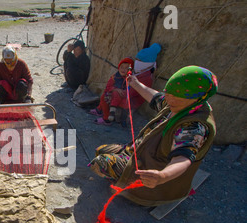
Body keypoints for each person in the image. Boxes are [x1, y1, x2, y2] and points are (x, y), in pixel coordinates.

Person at [89, 66, 218, 207]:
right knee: (101, 150)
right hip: (140, 153)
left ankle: (132, 189)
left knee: (101, 163)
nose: (169, 99)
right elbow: (155, 97)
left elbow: (183, 158)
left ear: (196, 98)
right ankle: (119, 172)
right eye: (168, 94)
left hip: (152, 169)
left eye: (175, 97)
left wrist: (162, 176)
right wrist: (135, 83)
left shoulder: (193, 126)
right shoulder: (178, 104)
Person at [92, 57, 134, 127]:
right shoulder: (115, 77)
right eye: (122, 67)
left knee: (116, 95)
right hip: (113, 97)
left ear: (130, 70)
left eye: (126, 68)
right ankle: (103, 113)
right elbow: (108, 87)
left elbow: (131, 92)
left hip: (124, 99)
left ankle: (109, 117)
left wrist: (122, 92)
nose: (123, 70)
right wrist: (115, 89)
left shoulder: (130, 79)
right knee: (104, 96)